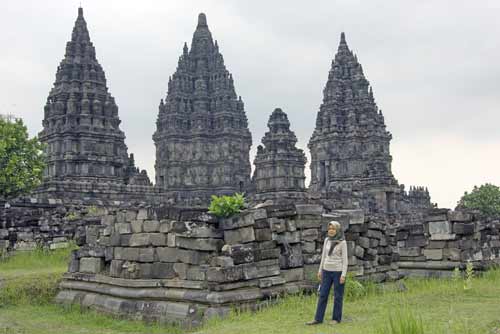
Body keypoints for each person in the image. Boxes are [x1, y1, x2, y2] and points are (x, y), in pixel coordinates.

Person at [306, 220, 348, 325]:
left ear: (337, 230)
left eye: (333, 229)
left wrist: (343, 275)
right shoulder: (326, 240)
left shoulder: (342, 242)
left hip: (338, 272)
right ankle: (318, 319)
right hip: (326, 271)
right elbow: (324, 256)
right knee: (323, 294)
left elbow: (345, 260)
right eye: (329, 229)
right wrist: (320, 270)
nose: (331, 231)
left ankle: (336, 319)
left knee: (338, 296)